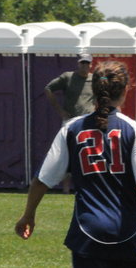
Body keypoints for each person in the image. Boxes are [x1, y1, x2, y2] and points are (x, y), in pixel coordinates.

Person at [15, 61, 136, 267]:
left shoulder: (72, 129)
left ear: (93, 89)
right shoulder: (135, 130)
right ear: (126, 89)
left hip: (86, 233)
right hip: (126, 232)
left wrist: (28, 215)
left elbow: (42, 180)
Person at [45, 53, 95, 193]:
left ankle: (87, 187)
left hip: (88, 123)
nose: (84, 66)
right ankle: (66, 189)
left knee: (88, 153)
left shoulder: (95, 79)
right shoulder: (68, 77)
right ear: (78, 63)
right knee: (67, 153)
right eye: (82, 63)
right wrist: (60, 110)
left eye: (87, 63)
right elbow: (48, 88)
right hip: (70, 121)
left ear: (91, 65)